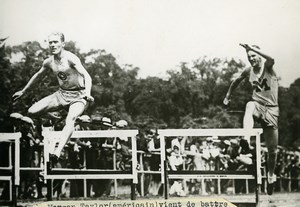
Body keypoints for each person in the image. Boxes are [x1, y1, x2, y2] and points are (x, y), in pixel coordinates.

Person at [12, 32, 94, 162]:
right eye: (50, 42)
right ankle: (57, 117)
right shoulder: (49, 62)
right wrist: (23, 91)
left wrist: (88, 93)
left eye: (55, 42)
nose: (53, 45)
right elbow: (38, 76)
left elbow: (87, 76)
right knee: (31, 111)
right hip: (61, 94)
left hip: (79, 96)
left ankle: (56, 152)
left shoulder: (71, 58)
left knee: (71, 119)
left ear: (63, 44)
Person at [223, 44, 279, 195]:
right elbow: (236, 81)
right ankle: (246, 139)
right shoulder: (249, 71)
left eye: (253, 56)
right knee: (249, 105)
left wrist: (253, 49)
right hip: (257, 106)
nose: (251, 59)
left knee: (272, 151)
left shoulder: (268, 67)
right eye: (249, 57)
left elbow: (272, 58)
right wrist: (228, 97)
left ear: (259, 55)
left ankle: (271, 176)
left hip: (272, 110)